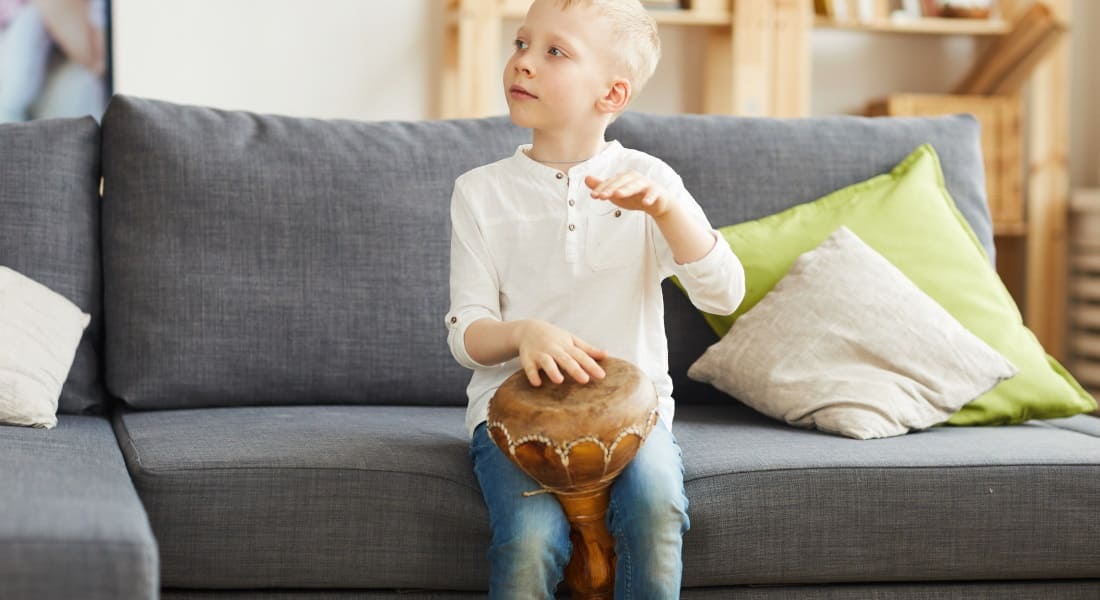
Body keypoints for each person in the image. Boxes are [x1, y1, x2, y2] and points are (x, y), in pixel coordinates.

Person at [445, 0, 745, 596]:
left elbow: (725, 292)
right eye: (521, 43)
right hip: (511, 420)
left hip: (637, 415)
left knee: (657, 512)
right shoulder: (479, 193)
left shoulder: (650, 182)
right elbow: (467, 333)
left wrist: (668, 209)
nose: (523, 62)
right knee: (529, 542)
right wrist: (523, 333)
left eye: (554, 51)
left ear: (612, 94)